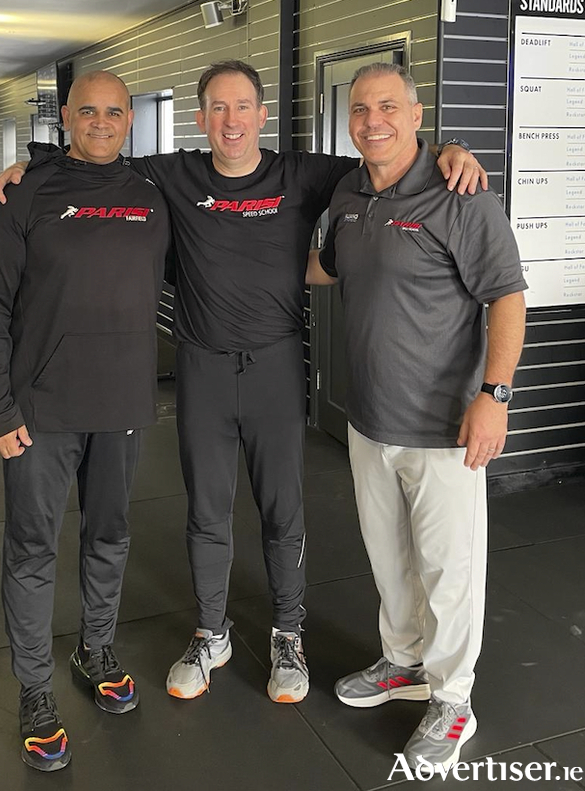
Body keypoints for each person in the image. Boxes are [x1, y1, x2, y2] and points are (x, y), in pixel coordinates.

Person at [0, 60, 486, 706]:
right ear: (201, 118)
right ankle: (211, 630)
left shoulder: (302, 175)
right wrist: (28, 169)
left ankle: (288, 633)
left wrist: (449, 148)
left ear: (261, 113)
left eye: (242, 106)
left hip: (277, 365)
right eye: (218, 108)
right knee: (206, 512)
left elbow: (385, 154)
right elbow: (94, 157)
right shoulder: (171, 174)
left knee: (283, 511)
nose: (231, 120)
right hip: (202, 365)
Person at [307, 62, 527, 770]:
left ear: (417, 113)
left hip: (443, 427)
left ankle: (452, 699)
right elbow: (328, 269)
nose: (374, 120)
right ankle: (403, 662)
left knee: (449, 568)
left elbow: (508, 297)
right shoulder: (347, 193)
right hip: (369, 420)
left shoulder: (461, 195)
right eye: (362, 108)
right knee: (390, 558)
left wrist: (493, 397)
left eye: (389, 107)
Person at [0, 71, 170, 772]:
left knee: (109, 536)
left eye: (116, 111)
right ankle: (34, 689)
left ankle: (96, 647)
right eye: (90, 111)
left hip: (122, 409)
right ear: (66, 116)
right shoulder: (26, 193)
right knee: (31, 550)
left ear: (130, 120)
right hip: (40, 412)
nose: (104, 121)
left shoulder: (151, 195)